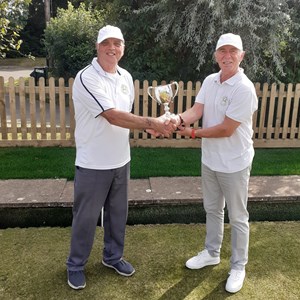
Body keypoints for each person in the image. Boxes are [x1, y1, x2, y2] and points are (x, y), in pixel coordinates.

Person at [66, 25, 176, 290]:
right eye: (106, 43)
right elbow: (112, 115)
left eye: (117, 43)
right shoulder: (86, 77)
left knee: (117, 215)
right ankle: (75, 265)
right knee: (85, 217)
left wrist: (149, 126)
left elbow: (125, 118)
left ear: (123, 48)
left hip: (121, 160)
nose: (112, 48)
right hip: (93, 162)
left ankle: (113, 257)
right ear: (97, 46)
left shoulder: (126, 77)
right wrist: (154, 121)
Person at [174, 33, 258, 293]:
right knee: (212, 209)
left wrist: (192, 133)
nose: (227, 56)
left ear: (242, 56)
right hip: (210, 159)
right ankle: (211, 252)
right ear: (216, 55)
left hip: (235, 163)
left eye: (233, 51)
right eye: (223, 51)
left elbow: (225, 129)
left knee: (238, 216)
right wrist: (177, 119)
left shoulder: (245, 88)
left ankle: (238, 265)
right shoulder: (210, 81)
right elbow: (196, 111)